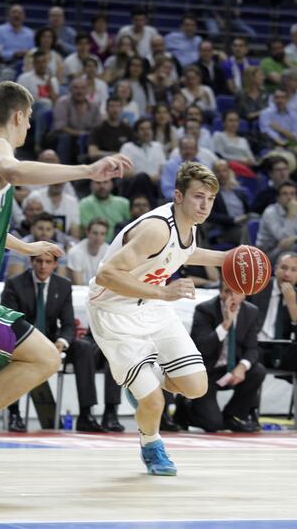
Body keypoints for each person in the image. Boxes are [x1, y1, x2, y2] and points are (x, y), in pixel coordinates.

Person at [0, 79, 131, 475]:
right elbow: (16, 170)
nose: (28, 129)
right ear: (21, 115)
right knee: (45, 356)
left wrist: (28, 248)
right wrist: (86, 170)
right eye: (27, 122)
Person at [86, 161, 226, 476]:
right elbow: (106, 274)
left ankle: (148, 374)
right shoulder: (157, 228)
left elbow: (183, 252)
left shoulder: (188, 224)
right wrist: (164, 293)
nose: (205, 205)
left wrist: (227, 257)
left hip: (151, 306)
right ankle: (151, 445)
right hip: (115, 312)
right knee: (153, 402)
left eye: (210, 199)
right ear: (178, 196)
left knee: (196, 385)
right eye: (198, 197)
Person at [2, 252, 123, 433]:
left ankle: (85, 414)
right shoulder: (14, 284)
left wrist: (62, 342)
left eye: (48, 262)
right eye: (39, 261)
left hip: (51, 340)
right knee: (12, 351)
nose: (43, 266)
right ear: (31, 262)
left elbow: (68, 324)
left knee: (84, 347)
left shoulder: (63, 285)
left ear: (55, 264)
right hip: (23, 340)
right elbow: (11, 322)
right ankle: (14, 413)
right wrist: (32, 342)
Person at [178, 281, 266, 433]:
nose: (231, 297)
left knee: (257, 371)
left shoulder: (251, 311)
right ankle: (186, 407)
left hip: (231, 369)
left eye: (236, 292)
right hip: (207, 373)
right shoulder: (205, 310)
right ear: (220, 293)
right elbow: (200, 347)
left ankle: (233, 415)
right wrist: (225, 324)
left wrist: (242, 366)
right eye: (227, 291)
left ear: (244, 294)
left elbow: (252, 348)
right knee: (213, 425)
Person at [249, 252, 297, 345]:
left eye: (293, 270)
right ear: (275, 269)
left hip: (283, 349)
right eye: (283, 268)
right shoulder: (258, 287)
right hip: (254, 345)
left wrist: (292, 306)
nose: (287, 274)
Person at [256, 180, 297, 265]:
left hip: (288, 248)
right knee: (290, 247)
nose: (289, 197)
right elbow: (283, 239)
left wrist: (294, 238)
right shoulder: (270, 212)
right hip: (267, 254)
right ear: (278, 198)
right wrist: (291, 216)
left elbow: (290, 240)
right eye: (285, 194)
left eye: (292, 194)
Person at [67, 218, 109, 286]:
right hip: (81, 292)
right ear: (87, 232)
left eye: (102, 234)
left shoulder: (109, 252)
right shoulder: (75, 252)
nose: (98, 237)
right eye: (95, 233)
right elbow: (79, 284)